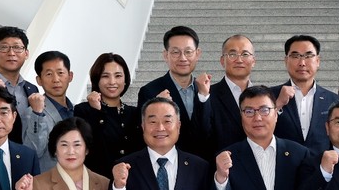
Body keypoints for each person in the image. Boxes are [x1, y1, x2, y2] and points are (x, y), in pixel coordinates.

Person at [137, 26, 211, 159]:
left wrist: (203, 96)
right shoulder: (150, 91)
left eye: (188, 52)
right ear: (166, 55)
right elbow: (143, 135)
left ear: (197, 54)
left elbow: (208, 132)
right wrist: (158, 105)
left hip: (203, 164)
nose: (183, 58)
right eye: (176, 52)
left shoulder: (206, 89)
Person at [74, 53, 143, 179]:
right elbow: (87, 146)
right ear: (97, 80)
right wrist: (97, 112)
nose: (112, 82)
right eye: (105, 76)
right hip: (98, 182)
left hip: (132, 181)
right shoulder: (84, 110)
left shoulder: (134, 113)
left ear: (125, 80)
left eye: (118, 76)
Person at [270, 35, 339, 156]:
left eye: (308, 56)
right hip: (282, 164)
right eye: (295, 56)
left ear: (317, 61)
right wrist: (278, 105)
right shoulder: (269, 96)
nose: (302, 63)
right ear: (286, 61)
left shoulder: (334, 100)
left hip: (321, 166)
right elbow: (259, 129)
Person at [22, 51, 75, 173]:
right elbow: (33, 152)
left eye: (60, 73)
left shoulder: (78, 110)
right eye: (49, 74)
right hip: (50, 181)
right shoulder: (32, 113)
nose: (56, 79)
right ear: (39, 80)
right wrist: (37, 114)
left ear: (70, 76)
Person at [209, 34, 256, 154]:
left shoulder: (264, 96)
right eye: (232, 54)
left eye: (245, 54)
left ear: (253, 61)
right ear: (222, 61)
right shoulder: (207, 96)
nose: (239, 60)